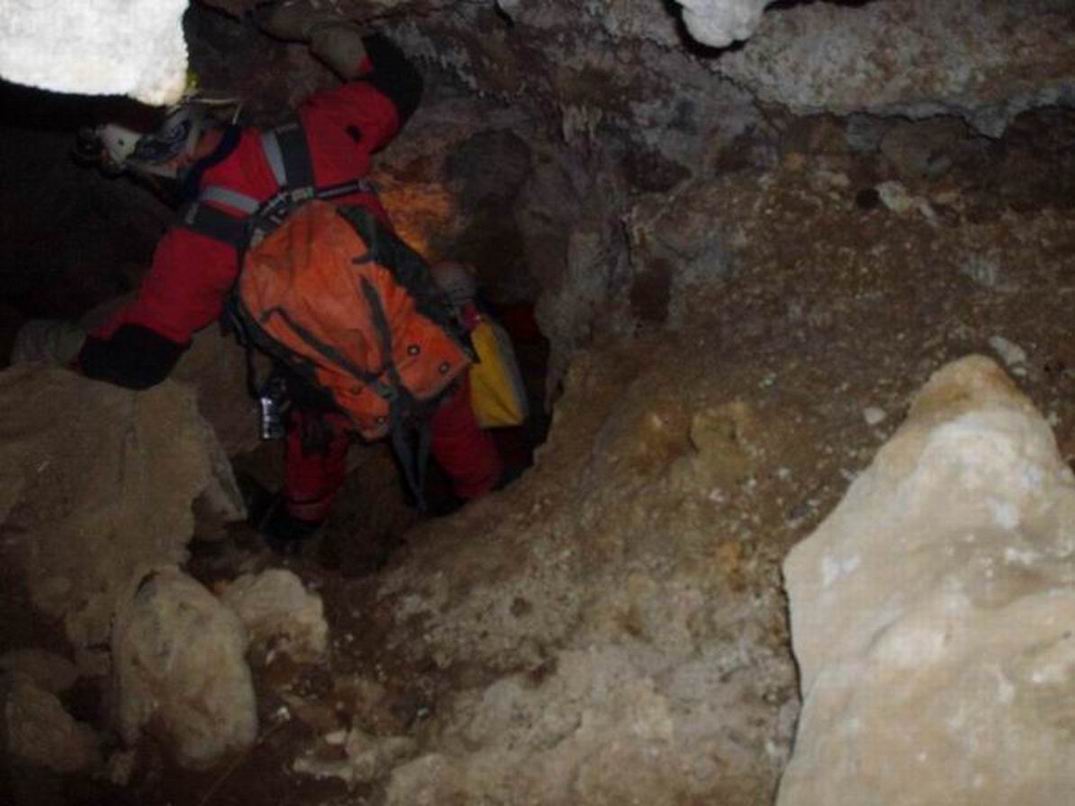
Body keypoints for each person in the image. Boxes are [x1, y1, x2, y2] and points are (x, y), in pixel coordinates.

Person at [11, 0, 503, 548]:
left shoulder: (198, 241)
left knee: (312, 431)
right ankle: (490, 505)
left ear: (152, 165)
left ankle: (299, 528)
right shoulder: (316, 134)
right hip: (424, 344)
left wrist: (52, 343)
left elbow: (138, 359)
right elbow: (397, 82)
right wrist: (311, 25)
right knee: (450, 413)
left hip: (334, 399)